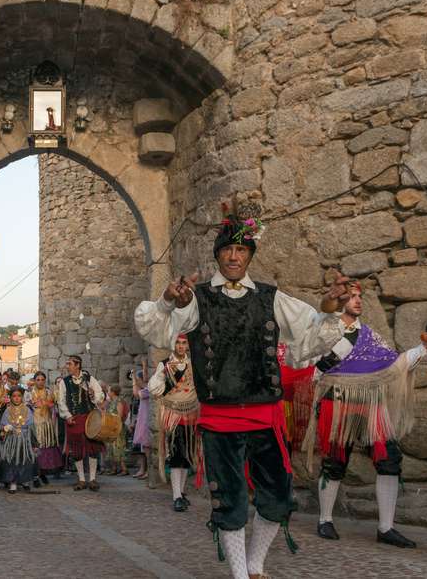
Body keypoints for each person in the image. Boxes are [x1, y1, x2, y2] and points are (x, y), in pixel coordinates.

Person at [134, 202, 344, 579]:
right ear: (218, 255)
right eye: (228, 249)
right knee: (229, 501)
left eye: (241, 250)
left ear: (249, 255)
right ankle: (240, 575)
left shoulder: (270, 297)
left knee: (277, 497)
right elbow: (156, 329)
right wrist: (166, 301)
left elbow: (310, 334)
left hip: (265, 416)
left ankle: (256, 564)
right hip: (219, 419)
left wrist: (328, 310)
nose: (234, 256)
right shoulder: (196, 298)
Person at [299, 282, 427, 548]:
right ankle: (325, 520)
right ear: (340, 300)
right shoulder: (325, 330)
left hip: (370, 405)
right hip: (336, 401)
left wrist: (422, 348)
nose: (358, 301)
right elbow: (311, 360)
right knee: (334, 462)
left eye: (359, 296)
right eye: (351, 296)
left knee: (390, 459)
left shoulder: (370, 336)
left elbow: (393, 364)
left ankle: (386, 528)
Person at [149, 334, 199, 512]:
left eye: (184, 343)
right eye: (178, 343)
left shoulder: (193, 364)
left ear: (187, 346)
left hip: (191, 414)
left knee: (187, 455)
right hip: (173, 415)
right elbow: (154, 387)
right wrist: (164, 376)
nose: (181, 346)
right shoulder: (165, 365)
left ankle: (181, 492)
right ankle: (176, 496)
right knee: (176, 454)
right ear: (173, 345)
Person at [56, 355, 105, 490]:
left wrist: (93, 395)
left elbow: (100, 396)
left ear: (78, 365)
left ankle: (93, 479)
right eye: (67, 364)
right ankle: (82, 479)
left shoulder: (89, 379)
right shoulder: (64, 382)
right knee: (77, 450)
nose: (67, 366)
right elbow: (61, 401)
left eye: (70, 364)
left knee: (92, 448)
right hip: (74, 419)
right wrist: (67, 415)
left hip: (90, 418)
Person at [0, 386, 37, 493]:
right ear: (10, 397)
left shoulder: (27, 410)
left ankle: (24, 481)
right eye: (14, 396)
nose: (16, 398)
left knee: (25, 461)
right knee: (12, 461)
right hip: (11, 441)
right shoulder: (7, 411)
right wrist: (5, 428)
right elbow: (2, 428)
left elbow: (32, 427)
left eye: (19, 396)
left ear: (22, 397)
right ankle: (13, 483)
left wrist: (33, 442)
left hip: (25, 441)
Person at [28, 371, 61, 485]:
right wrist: (33, 404)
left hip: (47, 424)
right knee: (36, 449)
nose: (40, 382)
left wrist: (46, 403)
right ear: (34, 381)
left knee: (46, 450)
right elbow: (26, 407)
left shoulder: (49, 392)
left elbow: (54, 404)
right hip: (35, 424)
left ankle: (42, 473)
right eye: (38, 380)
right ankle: (35, 476)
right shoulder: (29, 393)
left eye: (42, 380)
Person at [101, 385, 129, 476]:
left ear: (113, 392)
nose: (108, 392)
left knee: (119, 447)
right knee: (111, 448)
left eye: (109, 391)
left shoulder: (119, 401)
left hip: (118, 427)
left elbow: (119, 415)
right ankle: (114, 468)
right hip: (111, 428)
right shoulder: (111, 401)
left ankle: (124, 469)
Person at [131, 364, 151, 479]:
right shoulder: (145, 388)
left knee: (147, 447)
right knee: (142, 448)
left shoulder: (149, 389)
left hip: (147, 420)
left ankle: (149, 471)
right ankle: (143, 469)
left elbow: (136, 393)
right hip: (142, 419)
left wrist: (134, 379)